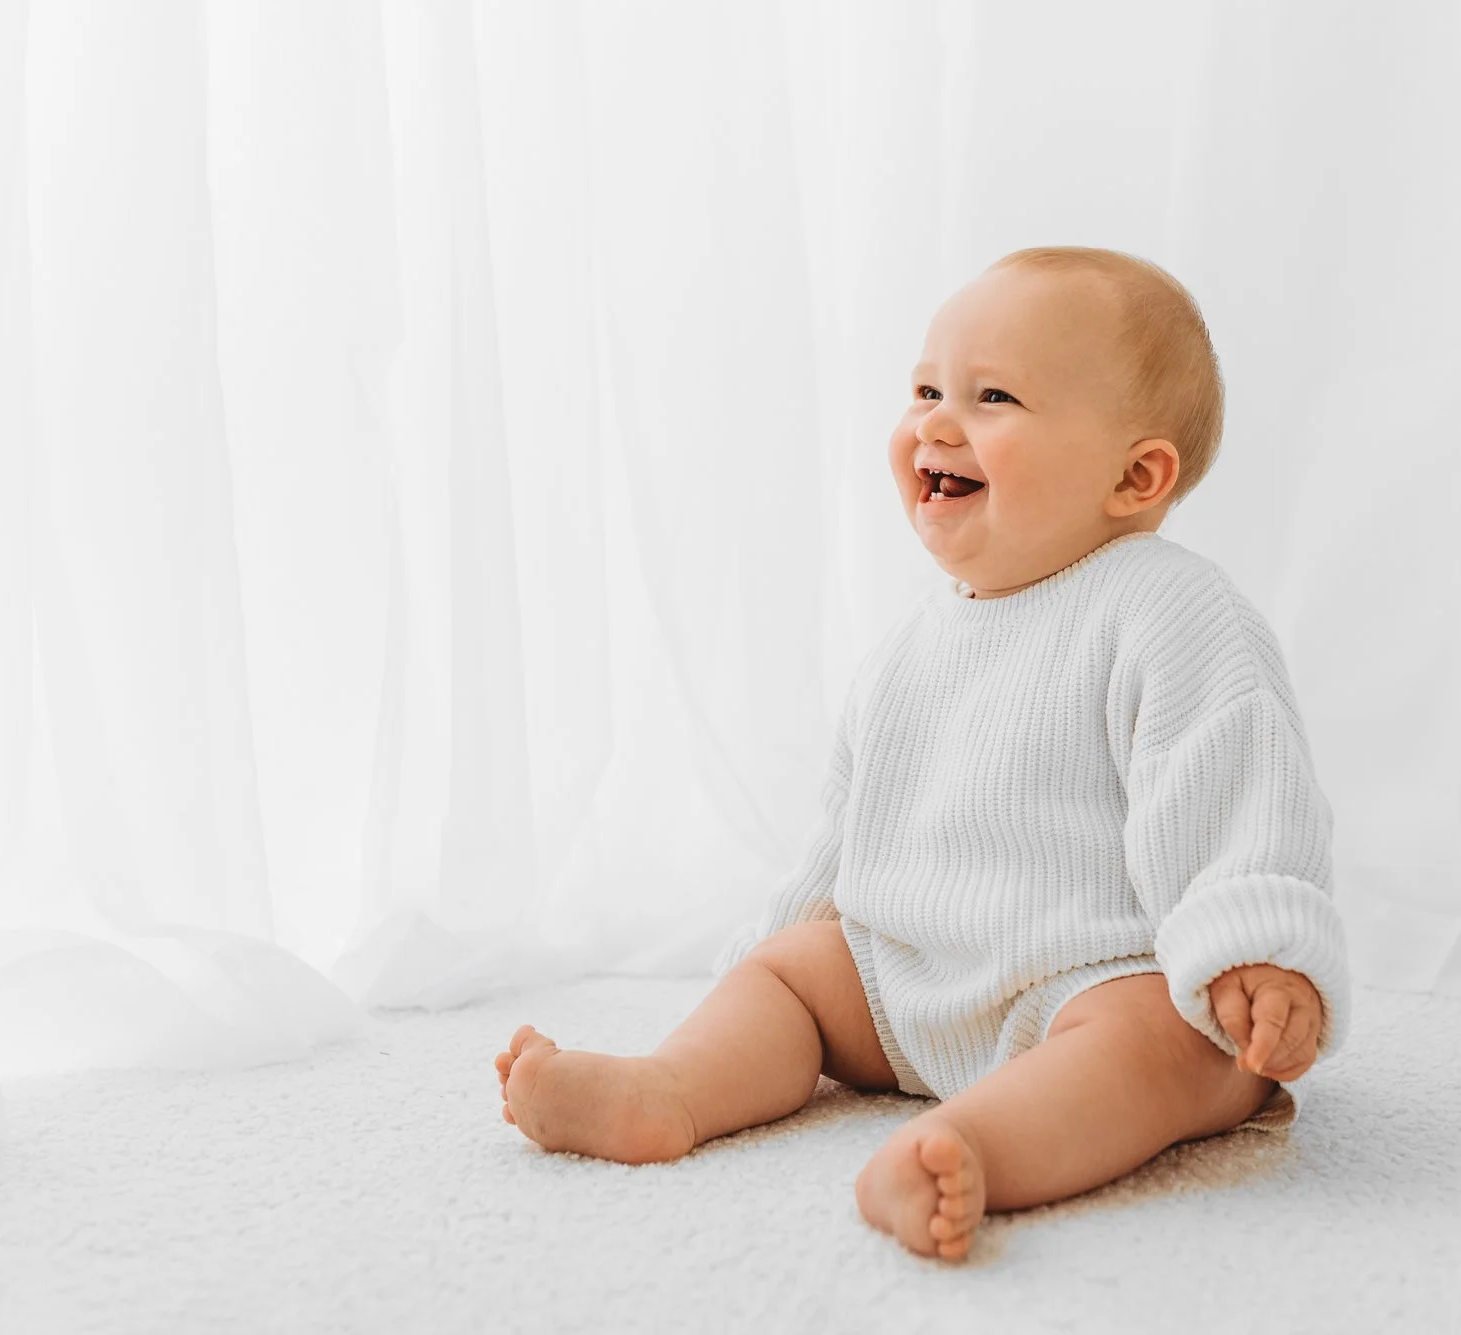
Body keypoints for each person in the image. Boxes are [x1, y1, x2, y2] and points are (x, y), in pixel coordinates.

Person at [494, 246, 1351, 1262]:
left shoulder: (1166, 608)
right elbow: (846, 837)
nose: (936, 422)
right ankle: (669, 1089)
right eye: (924, 389)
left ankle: (966, 1146)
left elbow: (1232, 791)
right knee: (791, 971)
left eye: (992, 397)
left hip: (1087, 985)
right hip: (905, 987)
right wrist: (782, 950)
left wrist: (1252, 951)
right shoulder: (910, 646)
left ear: (1134, 475)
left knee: (1160, 1046)